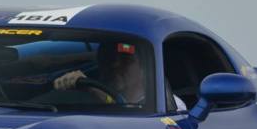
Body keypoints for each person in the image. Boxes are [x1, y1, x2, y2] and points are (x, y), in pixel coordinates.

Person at [52, 41, 187, 112]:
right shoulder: (86, 104)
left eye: (126, 60)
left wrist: (95, 91)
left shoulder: (170, 104)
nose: (115, 65)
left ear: (144, 68)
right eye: (108, 59)